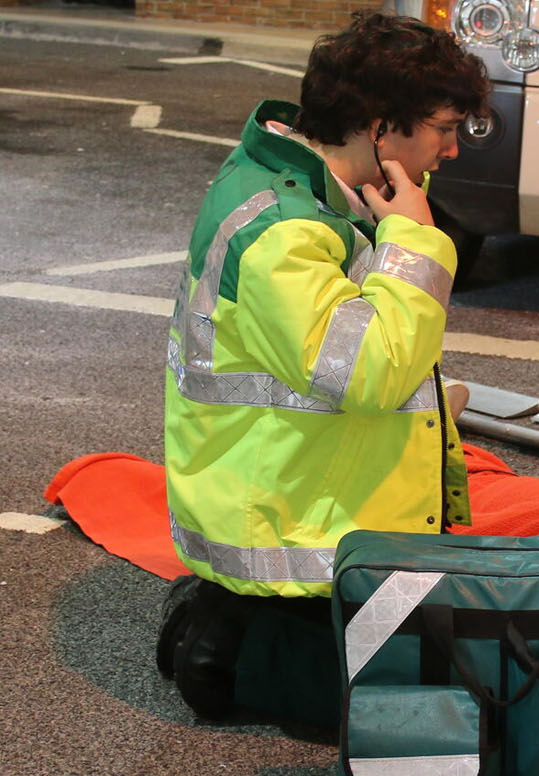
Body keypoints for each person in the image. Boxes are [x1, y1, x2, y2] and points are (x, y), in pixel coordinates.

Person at [159, 13, 489, 718]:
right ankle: (217, 647)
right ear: (379, 126)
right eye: (443, 126)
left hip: (311, 529)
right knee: (470, 703)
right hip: (300, 557)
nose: (453, 149)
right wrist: (415, 242)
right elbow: (369, 373)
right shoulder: (284, 230)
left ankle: (220, 631)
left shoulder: (303, 191)